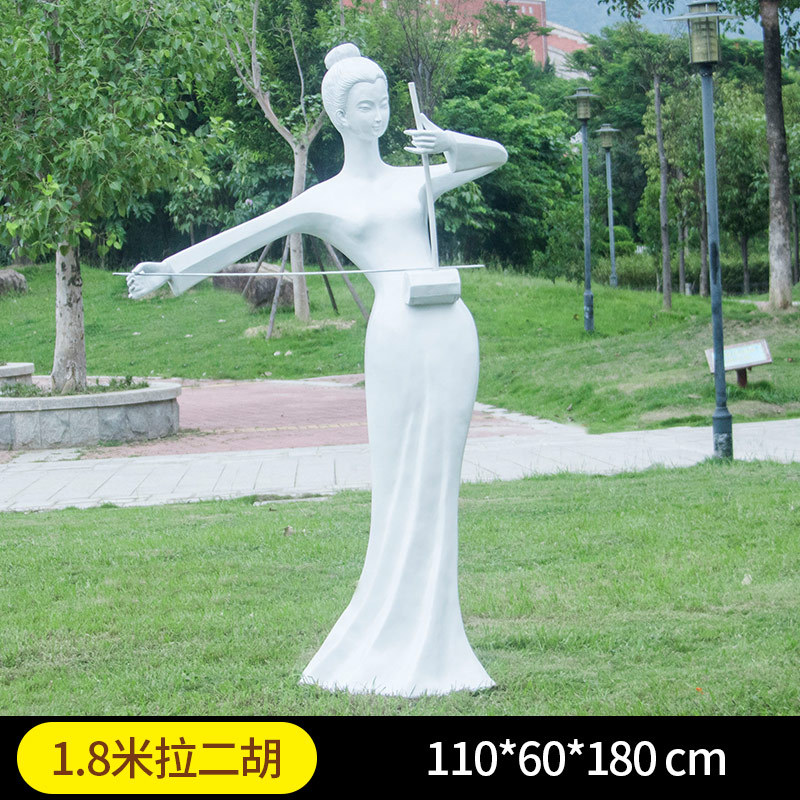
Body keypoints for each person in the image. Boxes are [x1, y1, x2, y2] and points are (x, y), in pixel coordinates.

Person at [128, 43, 507, 696]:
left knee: (438, 486)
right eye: (366, 104)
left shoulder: (415, 176)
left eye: (383, 101)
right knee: (400, 483)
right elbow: (249, 233)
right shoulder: (326, 198)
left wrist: (447, 140)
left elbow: (492, 157)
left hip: (451, 332)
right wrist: (171, 270)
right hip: (396, 335)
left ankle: (440, 644)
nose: (379, 113)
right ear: (339, 114)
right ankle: (390, 636)